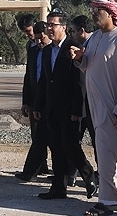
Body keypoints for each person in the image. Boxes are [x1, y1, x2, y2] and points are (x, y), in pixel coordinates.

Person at [71, 0, 117, 216]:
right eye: (93, 11)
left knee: (108, 154)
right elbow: (89, 67)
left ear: (111, 13)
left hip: (116, 108)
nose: (94, 15)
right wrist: (79, 59)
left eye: (98, 11)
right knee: (109, 153)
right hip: (98, 107)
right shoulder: (94, 39)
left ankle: (107, 201)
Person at [33, 11, 98, 200]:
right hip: (51, 108)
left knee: (70, 146)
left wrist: (78, 110)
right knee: (55, 147)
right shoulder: (45, 51)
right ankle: (59, 188)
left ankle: (89, 176)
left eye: (53, 25)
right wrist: (38, 105)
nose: (49, 28)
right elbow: (44, 81)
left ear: (63, 27)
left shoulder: (73, 47)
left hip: (69, 109)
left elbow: (80, 82)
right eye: (48, 25)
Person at [17, 17, 52, 181]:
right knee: (37, 135)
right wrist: (26, 100)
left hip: (50, 99)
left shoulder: (53, 49)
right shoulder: (31, 48)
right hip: (34, 98)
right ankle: (38, 166)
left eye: (29, 32)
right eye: (26, 33)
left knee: (52, 136)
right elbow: (28, 75)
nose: (30, 36)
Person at [70, 14, 98, 163]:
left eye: (73, 31)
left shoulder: (93, 46)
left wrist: (78, 109)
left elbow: (82, 82)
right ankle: (71, 174)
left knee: (97, 141)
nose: (72, 35)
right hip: (84, 104)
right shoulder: (83, 47)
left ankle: (102, 173)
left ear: (81, 30)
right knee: (73, 141)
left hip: (91, 104)